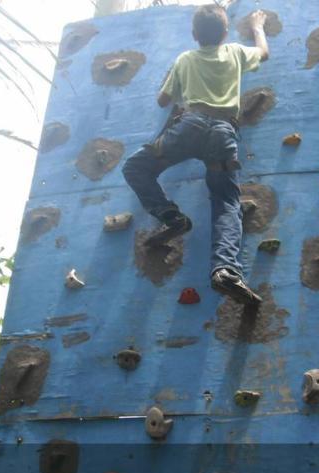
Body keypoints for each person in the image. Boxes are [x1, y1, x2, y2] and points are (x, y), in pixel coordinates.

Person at [122, 5, 269, 306]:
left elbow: (163, 100)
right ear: (225, 34)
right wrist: (257, 27)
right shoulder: (236, 53)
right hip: (223, 133)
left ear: (194, 35)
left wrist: (178, 80)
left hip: (189, 126)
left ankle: (171, 217)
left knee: (136, 168)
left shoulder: (185, 59)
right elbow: (263, 53)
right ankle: (225, 270)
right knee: (226, 201)